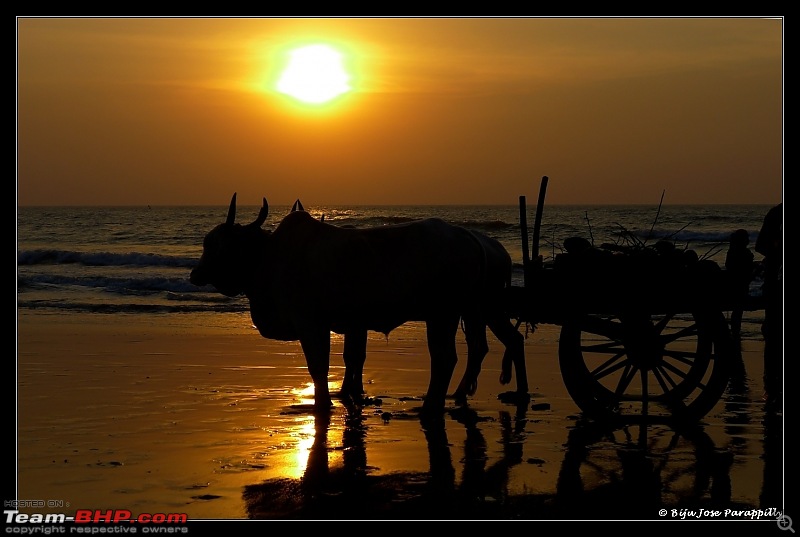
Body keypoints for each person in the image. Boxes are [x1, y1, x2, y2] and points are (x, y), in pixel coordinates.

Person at [754, 203, 782, 410]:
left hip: (774, 282)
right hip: (775, 283)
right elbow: (761, 246)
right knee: (773, 334)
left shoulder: (775, 213)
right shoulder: (776, 214)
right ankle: (771, 387)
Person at [725, 228, 755, 337]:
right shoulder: (744, 252)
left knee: (737, 310)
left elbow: (729, 266)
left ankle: (735, 330)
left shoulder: (731, 251)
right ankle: (736, 331)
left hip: (732, 286)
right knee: (738, 310)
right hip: (740, 286)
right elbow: (746, 270)